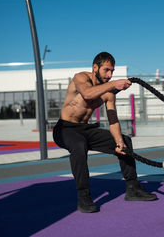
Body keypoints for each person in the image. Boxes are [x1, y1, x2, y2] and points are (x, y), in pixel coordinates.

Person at [53, 52, 157, 213]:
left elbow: (113, 121)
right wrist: (114, 83)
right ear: (95, 67)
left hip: (84, 129)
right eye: (106, 70)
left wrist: (118, 142)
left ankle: (132, 188)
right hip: (65, 129)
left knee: (125, 141)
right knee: (79, 146)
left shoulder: (108, 94)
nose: (109, 75)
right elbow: (88, 94)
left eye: (112, 72)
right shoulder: (80, 78)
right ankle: (83, 196)